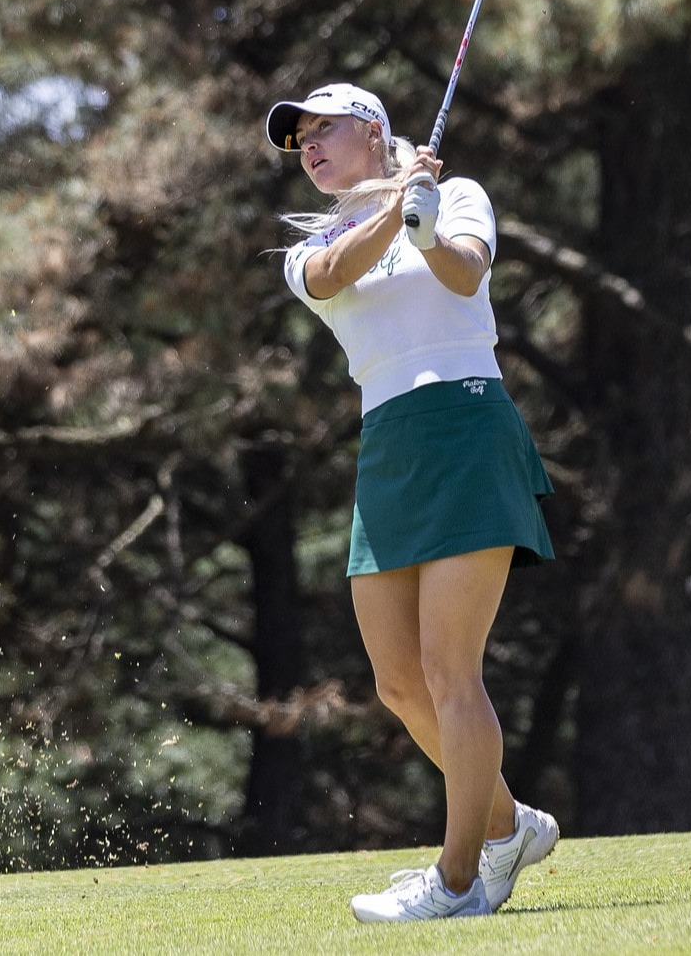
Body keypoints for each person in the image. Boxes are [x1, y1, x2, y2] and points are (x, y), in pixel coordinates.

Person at [264, 83, 560, 922]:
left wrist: (423, 216)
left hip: (467, 422)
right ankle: (506, 824)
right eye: (300, 141)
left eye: (324, 130)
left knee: (448, 670)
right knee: (398, 682)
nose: (309, 148)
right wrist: (398, 208)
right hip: (390, 445)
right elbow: (329, 276)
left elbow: (465, 275)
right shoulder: (316, 240)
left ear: (373, 130)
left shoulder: (457, 196)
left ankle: (462, 878)